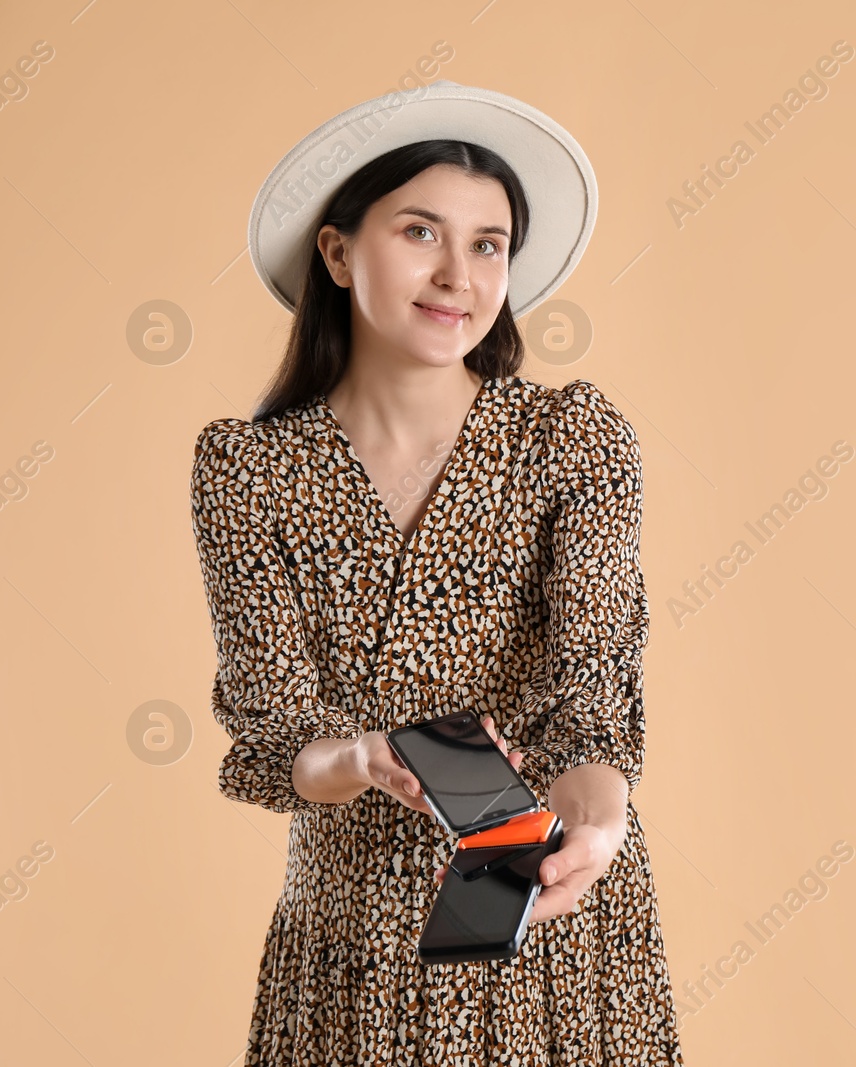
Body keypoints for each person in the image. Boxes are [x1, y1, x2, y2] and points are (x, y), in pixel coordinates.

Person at [189, 82, 683, 1064]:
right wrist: (362, 757)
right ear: (336, 251)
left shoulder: (569, 440)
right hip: (353, 938)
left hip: (551, 924)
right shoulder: (247, 469)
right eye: (421, 231)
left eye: (489, 243)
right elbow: (273, 729)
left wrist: (598, 816)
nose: (458, 273)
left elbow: (591, 697)